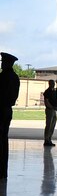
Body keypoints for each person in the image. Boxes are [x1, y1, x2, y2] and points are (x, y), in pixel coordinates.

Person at [0, 52, 20, 180]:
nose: (1, 63)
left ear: (7, 63)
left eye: (2, 61)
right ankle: (3, 171)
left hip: (0, 110)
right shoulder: (15, 77)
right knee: (3, 139)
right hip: (7, 110)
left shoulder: (3, 77)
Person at [43, 79, 57, 147]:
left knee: (53, 125)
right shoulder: (47, 92)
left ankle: (49, 139)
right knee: (48, 125)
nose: (53, 84)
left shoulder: (54, 91)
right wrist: (52, 107)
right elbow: (46, 102)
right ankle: (46, 140)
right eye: (52, 83)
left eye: (54, 83)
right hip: (50, 110)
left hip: (54, 110)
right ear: (49, 84)